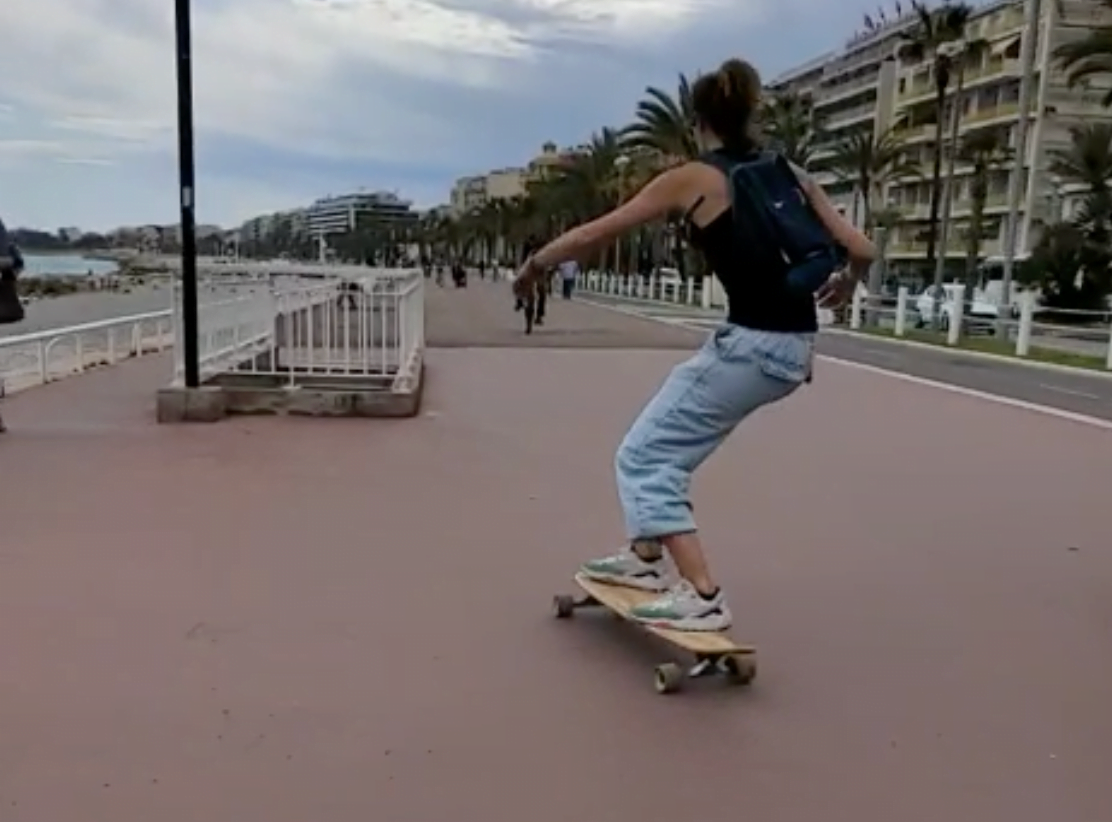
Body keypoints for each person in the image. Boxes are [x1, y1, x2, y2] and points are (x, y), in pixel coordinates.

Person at [513, 58, 874, 631]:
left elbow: (598, 231)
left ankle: (702, 594)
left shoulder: (694, 178)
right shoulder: (789, 171)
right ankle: (644, 557)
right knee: (668, 445)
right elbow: (861, 248)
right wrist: (846, 286)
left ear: (698, 121)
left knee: (645, 456)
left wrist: (534, 265)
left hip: (752, 346)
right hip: (790, 348)